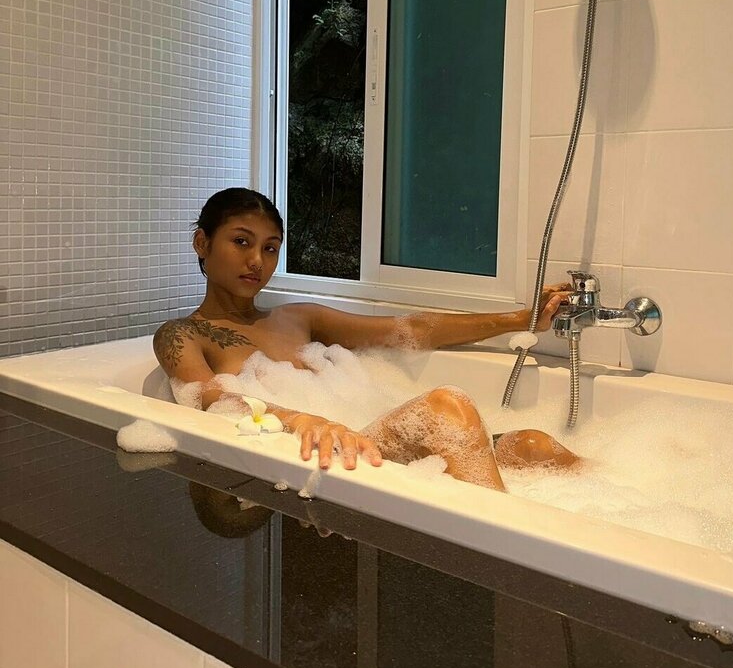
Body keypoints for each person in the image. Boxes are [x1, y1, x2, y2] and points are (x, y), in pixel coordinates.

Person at [153, 188, 582, 492]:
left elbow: (411, 331)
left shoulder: (299, 319)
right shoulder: (183, 334)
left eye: (270, 248)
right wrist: (299, 419)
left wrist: (523, 319)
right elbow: (209, 397)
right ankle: (507, 556)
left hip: (368, 441)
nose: (256, 261)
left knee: (534, 446)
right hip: (331, 457)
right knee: (445, 407)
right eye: (241, 242)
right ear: (202, 243)